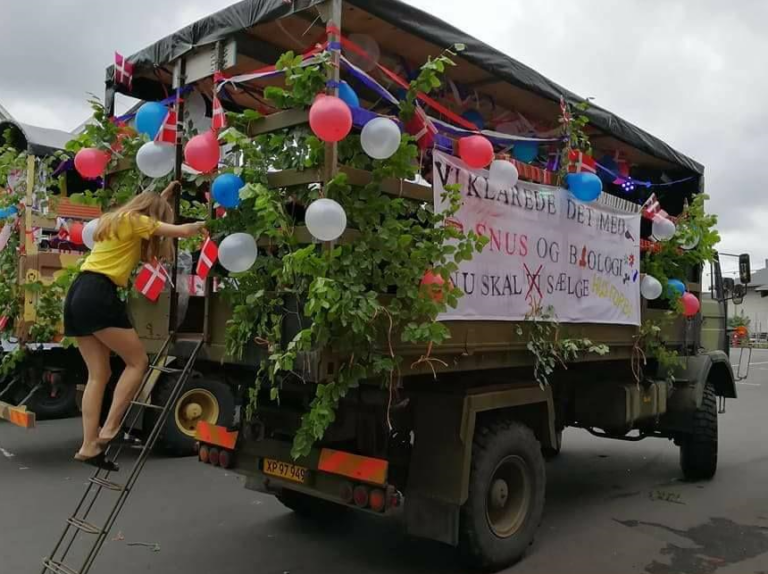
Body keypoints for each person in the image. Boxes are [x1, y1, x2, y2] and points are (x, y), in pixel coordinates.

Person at [64, 181, 205, 471]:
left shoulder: (115, 220)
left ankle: (89, 445)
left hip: (78, 292)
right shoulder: (134, 221)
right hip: (99, 293)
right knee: (138, 362)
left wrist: (163, 196)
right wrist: (205, 222)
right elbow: (180, 231)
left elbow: (147, 213)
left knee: (98, 374)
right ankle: (111, 425)